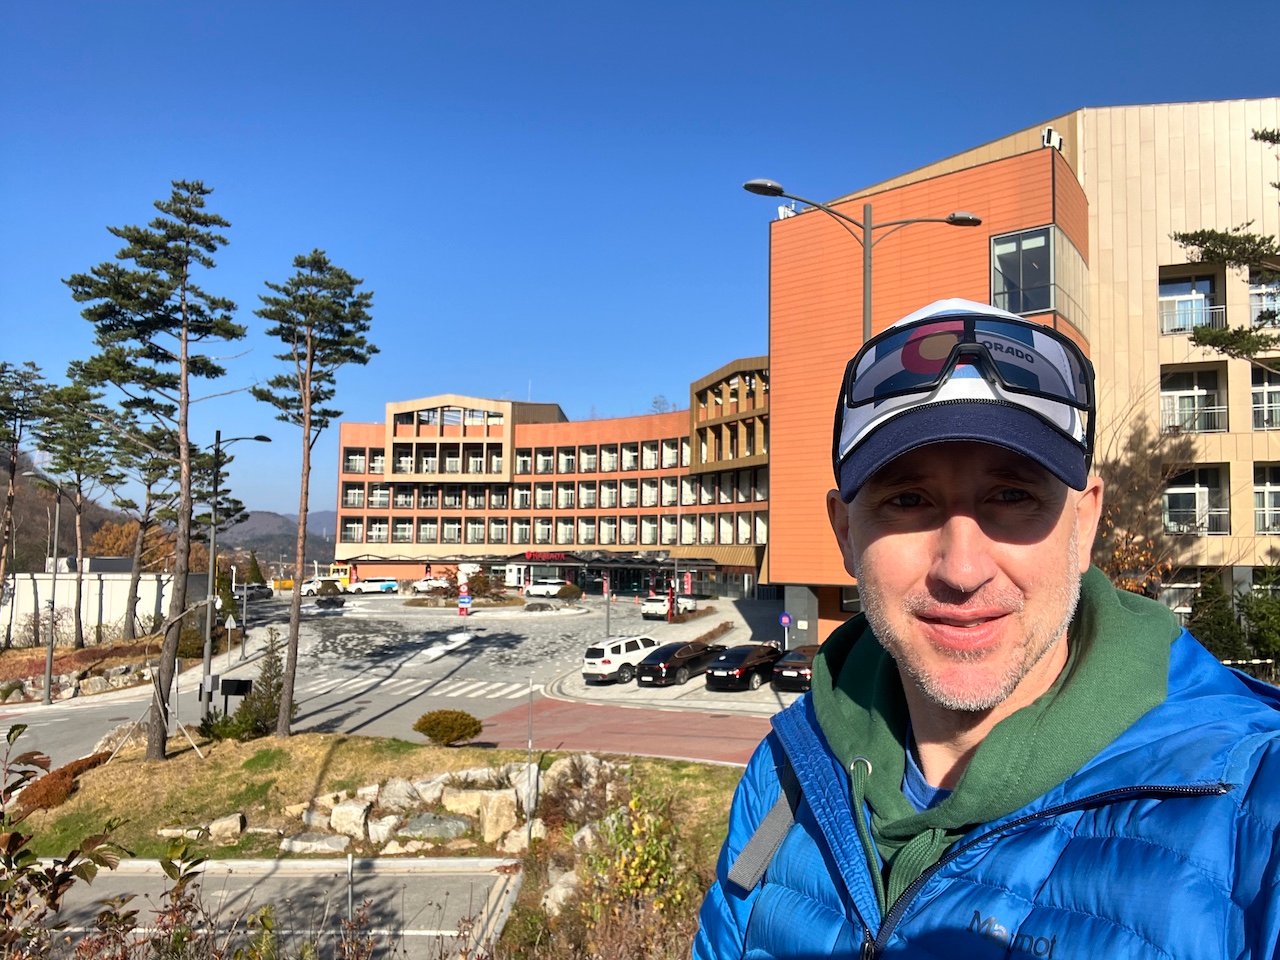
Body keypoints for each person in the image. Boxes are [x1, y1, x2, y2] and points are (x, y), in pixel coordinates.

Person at [693, 298, 1280, 958]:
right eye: (909, 501)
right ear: (845, 534)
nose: (962, 570)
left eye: (1012, 496)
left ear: (1083, 524)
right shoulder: (786, 773)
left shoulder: (1252, 805)